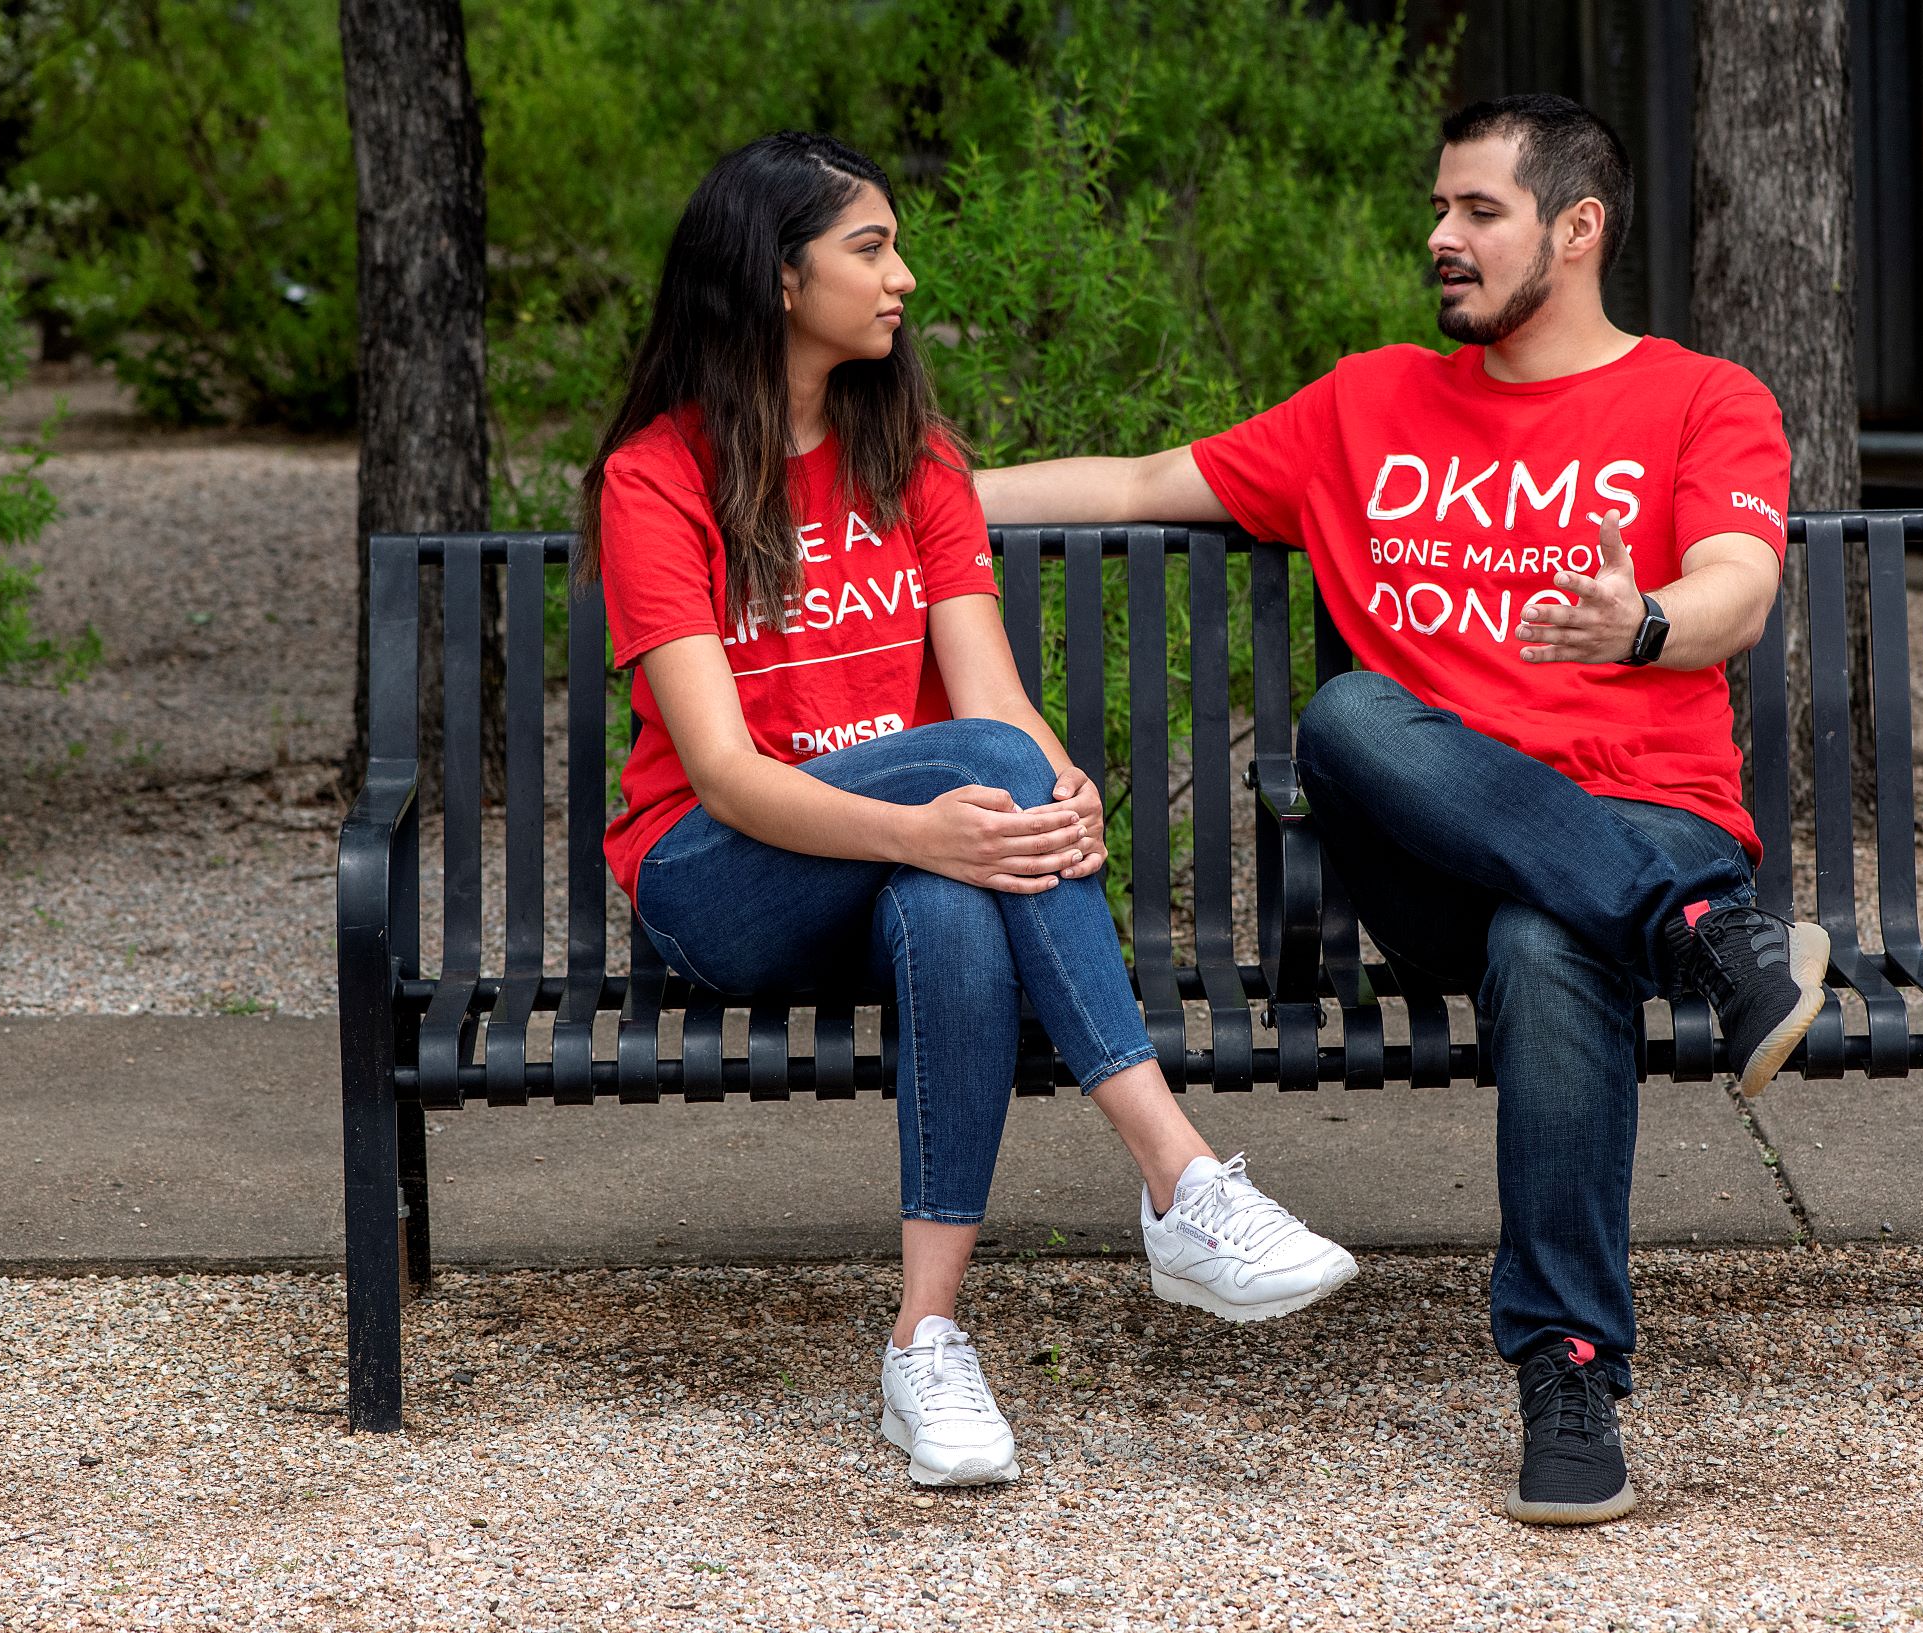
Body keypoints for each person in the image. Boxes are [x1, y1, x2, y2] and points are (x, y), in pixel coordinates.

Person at [975, 94, 1831, 1525]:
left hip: (1647, 808)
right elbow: (1140, 479)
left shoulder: (1703, 398)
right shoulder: (1366, 403)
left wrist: (1637, 624)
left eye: (1479, 211)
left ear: (1576, 228)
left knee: (1548, 940)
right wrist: (919, 495)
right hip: (1443, 863)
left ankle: (1566, 1370)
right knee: (1351, 715)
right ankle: (1698, 937)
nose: (1442, 235)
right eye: (1439, 207)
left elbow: (1736, 590)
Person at [582, 133, 1357, 1489]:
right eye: (871, 249)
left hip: (895, 863)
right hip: (721, 879)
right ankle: (1178, 1177)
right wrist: (946, 812)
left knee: (955, 899)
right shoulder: (659, 478)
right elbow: (723, 772)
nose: (903, 278)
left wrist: (1055, 794)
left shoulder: (913, 460)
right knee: (969, 803)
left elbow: (992, 697)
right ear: (777, 277)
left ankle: (925, 1342)